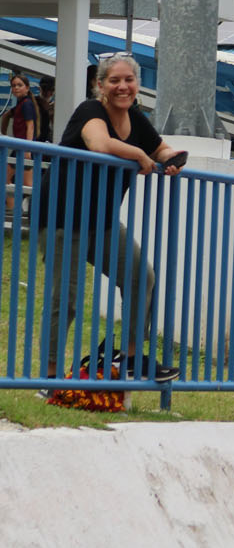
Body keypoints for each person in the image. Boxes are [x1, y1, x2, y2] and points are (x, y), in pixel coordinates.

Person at [39, 55, 189, 384]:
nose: (122, 87)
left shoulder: (136, 118)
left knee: (141, 276)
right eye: (114, 80)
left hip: (102, 220)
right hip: (64, 216)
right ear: (100, 85)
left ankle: (131, 360)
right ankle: (49, 380)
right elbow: (99, 145)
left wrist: (174, 159)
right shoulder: (90, 110)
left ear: (137, 85)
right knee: (66, 298)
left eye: (129, 80)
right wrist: (139, 154)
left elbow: (161, 149)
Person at [3, 72, 40, 210]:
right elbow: (7, 115)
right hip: (21, 149)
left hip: (24, 149)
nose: (16, 88)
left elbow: (31, 126)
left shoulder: (26, 104)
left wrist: (28, 149)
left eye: (20, 85)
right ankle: (14, 209)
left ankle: (20, 210)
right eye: (13, 86)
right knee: (22, 183)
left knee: (25, 184)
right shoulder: (20, 104)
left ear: (27, 88)